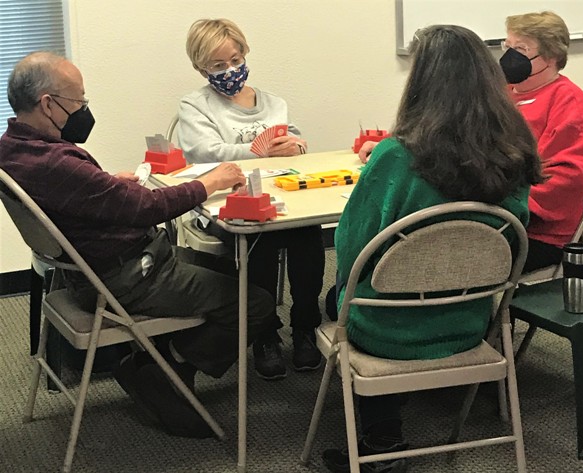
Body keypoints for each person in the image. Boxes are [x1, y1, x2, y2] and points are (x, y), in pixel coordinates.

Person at [0, 51, 275, 438]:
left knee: (233, 271)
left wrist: (107, 186)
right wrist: (210, 183)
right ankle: (170, 369)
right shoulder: (55, 163)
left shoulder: (14, 148)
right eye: (78, 100)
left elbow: (71, 194)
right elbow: (148, 208)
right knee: (256, 303)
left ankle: (159, 360)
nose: (83, 108)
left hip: (89, 272)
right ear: (48, 104)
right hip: (127, 277)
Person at [322, 25, 543, 473]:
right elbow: (511, 235)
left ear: (420, 82)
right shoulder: (515, 151)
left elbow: (350, 249)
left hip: (388, 331)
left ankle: (382, 438)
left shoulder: (395, 156)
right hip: (469, 322)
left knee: (336, 300)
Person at [178, 18, 325, 380]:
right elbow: (205, 152)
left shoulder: (274, 103)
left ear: (244, 54)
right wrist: (260, 152)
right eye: (218, 65)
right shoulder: (195, 106)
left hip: (279, 199)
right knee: (261, 239)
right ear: (201, 67)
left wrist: (295, 145)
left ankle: (305, 325)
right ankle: (265, 332)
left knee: (308, 234)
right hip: (227, 206)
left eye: (235, 59)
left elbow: (295, 141)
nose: (230, 70)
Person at [499, 11, 583, 272]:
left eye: (521, 49)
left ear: (551, 57)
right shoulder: (501, 95)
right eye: (507, 46)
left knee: (444, 255)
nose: (510, 56)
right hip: (494, 215)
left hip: (537, 233)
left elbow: (564, 182)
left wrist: (497, 200)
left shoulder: (572, 107)